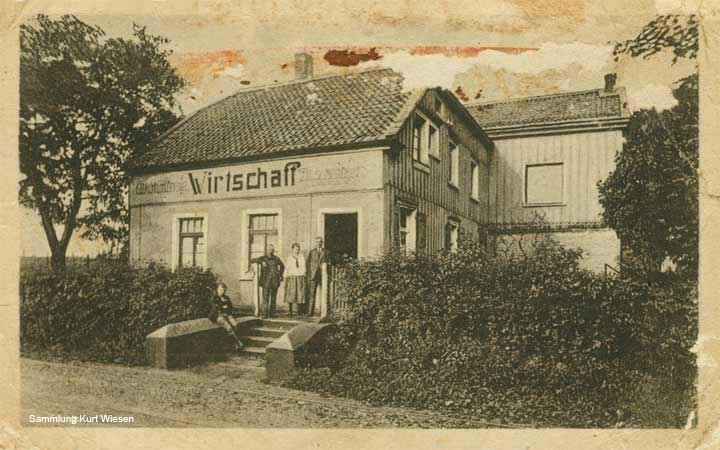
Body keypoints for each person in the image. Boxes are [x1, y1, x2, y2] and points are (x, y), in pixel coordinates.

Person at [250, 244, 284, 319]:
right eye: (269, 249)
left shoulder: (276, 259)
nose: (270, 251)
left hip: (275, 281)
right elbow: (251, 261)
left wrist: (280, 275)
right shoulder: (262, 258)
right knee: (265, 298)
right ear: (266, 250)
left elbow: (282, 266)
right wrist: (261, 263)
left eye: (272, 250)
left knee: (273, 298)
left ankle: (272, 313)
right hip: (266, 281)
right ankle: (264, 314)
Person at [208, 282, 244, 351]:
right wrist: (224, 307)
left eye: (224, 290)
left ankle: (232, 343)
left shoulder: (226, 297)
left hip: (227, 314)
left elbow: (230, 307)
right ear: (217, 289)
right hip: (217, 315)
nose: (223, 291)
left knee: (236, 324)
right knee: (228, 327)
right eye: (221, 289)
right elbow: (216, 308)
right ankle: (237, 342)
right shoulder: (214, 298)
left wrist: (224, 308)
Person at [305, 236, 328, 316]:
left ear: (322, 243)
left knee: (324, 293)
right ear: (315, 243)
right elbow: (307, 263)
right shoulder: (311, 252)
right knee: (312, 294)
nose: (319, 243)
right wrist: (309, 273)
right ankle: (310, 312)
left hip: (323, 275)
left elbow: (329, 261)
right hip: (313, 275)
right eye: (317, 242)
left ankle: (322, 312)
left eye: (320, 241)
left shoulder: (325, 252)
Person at [283, 243, 306, 316]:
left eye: (298, 249)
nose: (297, 250)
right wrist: (285, 277)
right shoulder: (290, 257)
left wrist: (304, 274)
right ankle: (290, 311)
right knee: (291, 294)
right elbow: (287, 268)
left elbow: (303, 267)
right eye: (296, 249)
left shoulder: (301, 257)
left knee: (300, 293)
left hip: (299, 276)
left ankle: (300, 311)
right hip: (292, 277)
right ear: (292, 249)